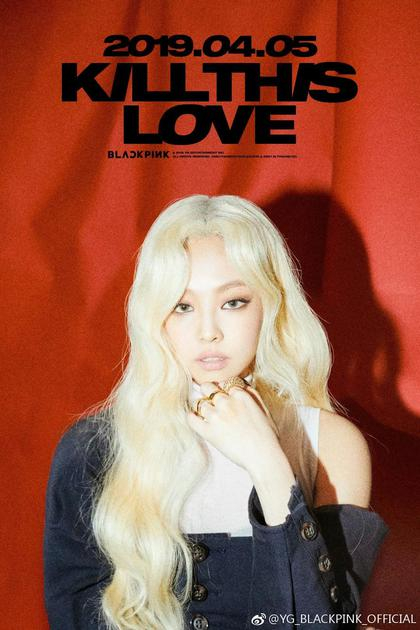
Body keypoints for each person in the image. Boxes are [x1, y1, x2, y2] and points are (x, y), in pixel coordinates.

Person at [43, 194, 389, 630]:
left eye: (233, 302)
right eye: (182, 306)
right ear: (155, 316)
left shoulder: (331, 445)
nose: (208, 332)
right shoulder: (93, 448)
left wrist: (268, 464)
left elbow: (320, 622)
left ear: (271, 303)